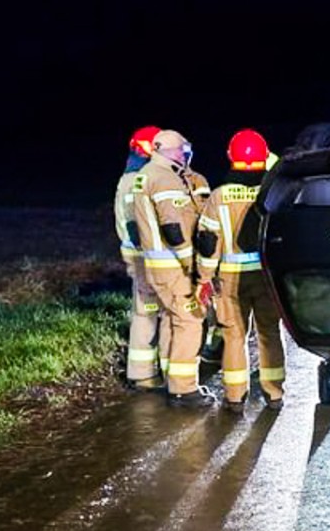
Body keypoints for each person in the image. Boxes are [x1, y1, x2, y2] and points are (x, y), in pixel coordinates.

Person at [196, 128, 286, 411]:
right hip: (266, 276)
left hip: (230, 279)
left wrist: (204, 278)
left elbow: (209, 243)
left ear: (230, 157)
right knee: (269, 332)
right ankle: (274, 393)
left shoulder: (219, 196)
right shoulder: (272, 191)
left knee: (234, 335)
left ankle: (235, 397)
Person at [133, 129, 215, 407]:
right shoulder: (164, 178)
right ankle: (183, 389)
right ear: (166, 150)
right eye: (181, 149)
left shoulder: (150, 174)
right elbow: (173, 228)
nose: (185, 153)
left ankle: (172, 378)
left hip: (158, 266)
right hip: (173, 267)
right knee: (190, 320)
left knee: (172, 319)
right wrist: (192, 265)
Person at [114, 125, 167, 389]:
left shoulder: (134, 177)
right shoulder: (136, 181)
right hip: (145, 257)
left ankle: (145, 372)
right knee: (151, 312)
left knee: (148, 311)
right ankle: (148, 375)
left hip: (143, 256)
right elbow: (138, 226)